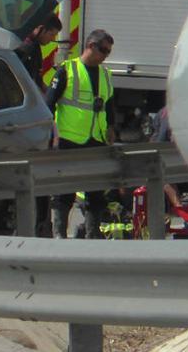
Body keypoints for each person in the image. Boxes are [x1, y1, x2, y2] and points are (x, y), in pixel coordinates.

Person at [45, 29, 115, 238]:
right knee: (64, 191)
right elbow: (49, 103)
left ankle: (91, 236)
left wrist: (111, 127)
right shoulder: (68, 70)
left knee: (96, 192)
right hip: (70, 140)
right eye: (103, 50)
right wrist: (51, 135)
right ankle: (59, 236)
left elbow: (109, 105)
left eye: (109, 52)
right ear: (90, 46)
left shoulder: (105, 74)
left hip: (96, 140)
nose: (105, 56)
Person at [14, 13, 62, 237]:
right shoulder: (27, 49)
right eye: (51, 34)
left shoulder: (33, 48)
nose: (52, 40)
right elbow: (26, 81)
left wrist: (45, 92)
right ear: (41, 28)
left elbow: (35, 78)